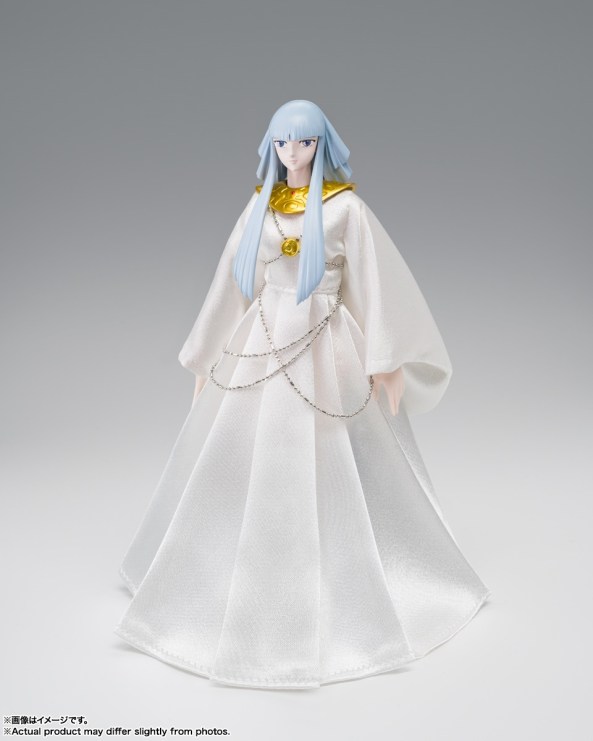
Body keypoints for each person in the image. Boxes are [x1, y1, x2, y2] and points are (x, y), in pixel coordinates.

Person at [114, 99, 491, 689]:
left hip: (325, 339)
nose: (293, 153)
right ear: (271, 147)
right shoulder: (260, 206)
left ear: (323, 146)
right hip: (264, 334)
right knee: (242, 450)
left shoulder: (346, 210)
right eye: (283, 143)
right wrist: (204, 355)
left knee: (337, 453)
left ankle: (344, 570)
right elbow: (230, 285)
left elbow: (376, 281)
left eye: (305, 143)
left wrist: (386, 359)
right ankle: (232, 568)